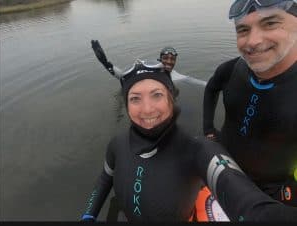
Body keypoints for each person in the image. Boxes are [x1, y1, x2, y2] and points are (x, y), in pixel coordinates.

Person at [81, 60, 297, 222]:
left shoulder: (198, 150)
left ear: (171, 99)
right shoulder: (116, 145)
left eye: (156, 95)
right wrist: (88, 216)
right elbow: (103, 181)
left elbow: (249, 205)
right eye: (135, 98)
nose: (147, 109)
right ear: (127, 106)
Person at [203, 0, 297, 207]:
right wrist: (208, 129)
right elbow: (211, 89)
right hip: (222, 168)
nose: (252, 41)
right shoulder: (232, 68)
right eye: (243, 30)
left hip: (272, 190)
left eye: (271, 23)